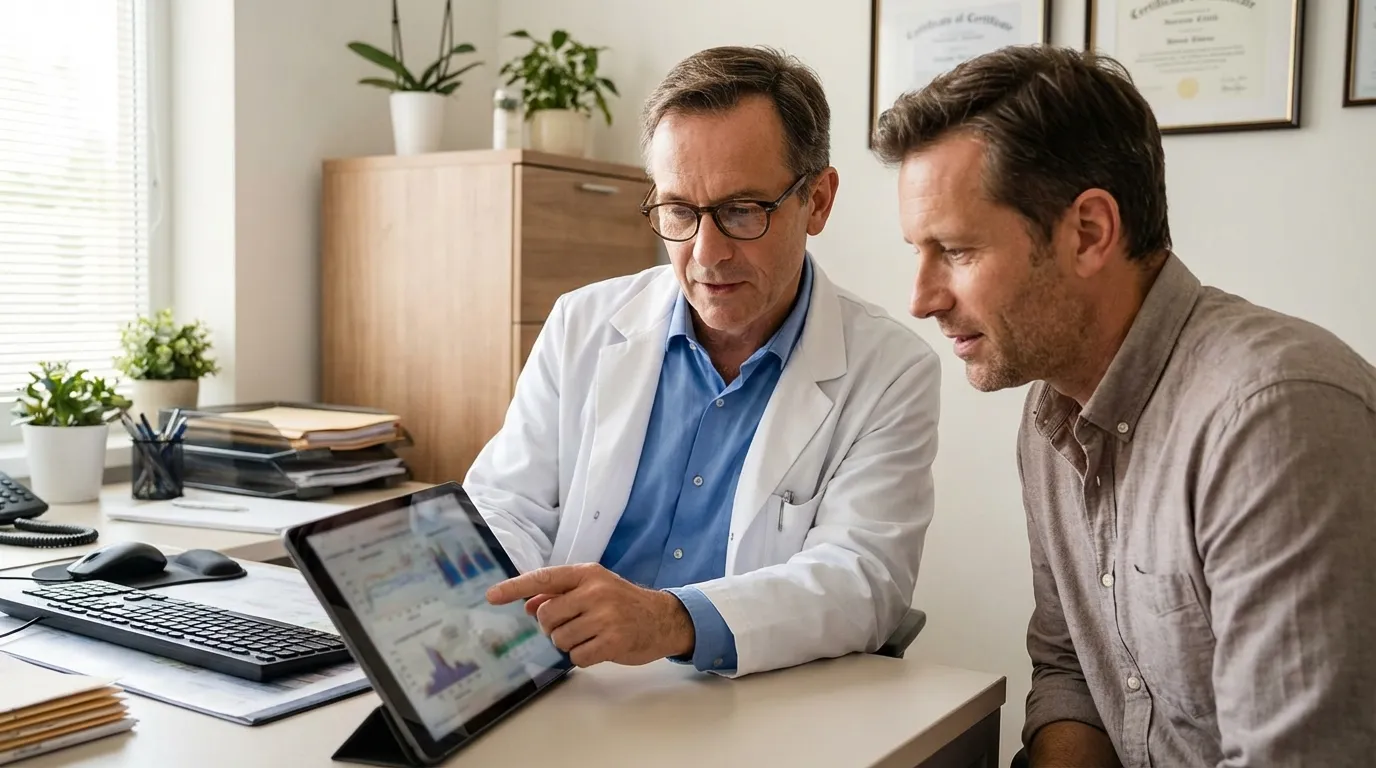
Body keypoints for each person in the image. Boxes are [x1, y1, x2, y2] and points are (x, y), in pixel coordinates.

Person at [872, 45, 1376, 767]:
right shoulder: (1051, 412)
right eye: (917, 252)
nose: (921, 299)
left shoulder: (1275, 419)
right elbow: (1073, 671)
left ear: (1089, 233)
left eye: (955, 251)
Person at [466, 46, 941, 678]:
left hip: (748, 696)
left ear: (819, 201)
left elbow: (863, 580)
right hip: (575, 685)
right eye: (679, 211)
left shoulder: (891, 370)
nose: (706, 253)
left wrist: (670, 621)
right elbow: (504, 505)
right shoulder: (582, 323)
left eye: (742, 211)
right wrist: (492, 601)